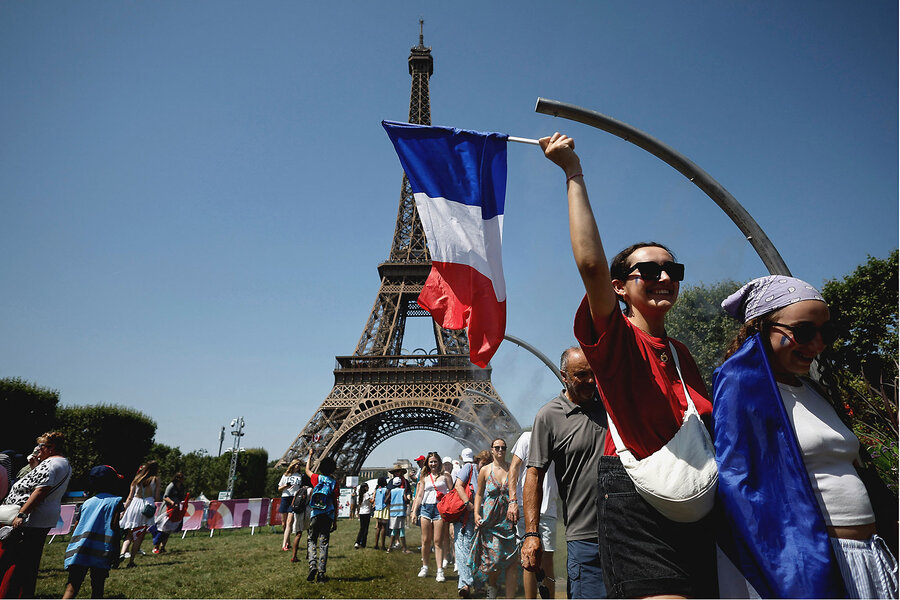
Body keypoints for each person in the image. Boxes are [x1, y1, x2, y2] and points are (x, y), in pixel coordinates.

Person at [537, 132, 717, 598]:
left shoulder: (681, 353)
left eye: (673, 271)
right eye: (649, 271)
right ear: (620, 287)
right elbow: (591, 266)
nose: (664, 277)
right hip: (635, 497)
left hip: (695, 497)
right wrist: (573, 172)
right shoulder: (616, 338)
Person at [714, 276, 899, 599]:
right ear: (761, 328)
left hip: (871, 554)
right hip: (819, 563)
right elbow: (742, 483)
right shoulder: (743, 388)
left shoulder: (814, 391)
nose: (818, 344)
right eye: (803, 332)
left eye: (827, 332)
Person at [521, 347, 608, 600]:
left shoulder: (611, 406)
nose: (590, 380)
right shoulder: (548, 416)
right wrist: (531, 534)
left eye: (593, 373)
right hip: (585, 538)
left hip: (625, 533)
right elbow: (534, 475)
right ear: (564, 376)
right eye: (581, 375)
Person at [0, 431, 72, 598]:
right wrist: (35, 466)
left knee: (15, 562)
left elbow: (40, 491)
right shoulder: (60, 463)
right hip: (39, 518)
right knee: (26, 562)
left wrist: (22, 514)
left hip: (30, 520)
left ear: (51, 447)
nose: (38, 449)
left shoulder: (52, 463)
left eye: (41, 446)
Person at [62, 465, 125, 599]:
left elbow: (76, 527)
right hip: (101, 550)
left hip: (80, 549)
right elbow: (114, 527)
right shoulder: (116, 501)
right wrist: (116, 552)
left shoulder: (87, 503)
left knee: (72, 587)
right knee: (97, 587)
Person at [508, 431, 558, 599]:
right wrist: (512, 500)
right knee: (528, 560)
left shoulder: (558, 438)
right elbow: (514, 468)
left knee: (547, 560)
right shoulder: (527, 437)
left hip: (548, 507)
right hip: (525, 507)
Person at [470, 438, 518, 599]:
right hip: (491, 520)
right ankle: (492, 586)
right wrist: (476, 513)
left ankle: (509, 596)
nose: (500, 450)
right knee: (494, 559)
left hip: (508, 520)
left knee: (512, 559)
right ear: (491, 450)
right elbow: (478, 494)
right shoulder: (485, 470)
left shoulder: (512, 468)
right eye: (497, 447)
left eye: (503, 447)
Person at [411, 452, 452, 582]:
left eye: (435, 461)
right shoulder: (424, 477)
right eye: (431, 462)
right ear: (427, 464)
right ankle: (425, 566)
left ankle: (440, 570)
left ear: (439, 462)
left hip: (439, 509)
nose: (433, 464)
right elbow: (419, 496)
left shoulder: (445, 476)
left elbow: (452, 493)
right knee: (425, 540)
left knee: (438, 541)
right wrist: (414, 511)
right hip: (426, 509)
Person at [454, 448, 487, 599]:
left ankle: (470, 584)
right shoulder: (469, 468)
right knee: (464, 549)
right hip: (466, 516)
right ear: (477, 461)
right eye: (482, 463)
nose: (484, 466)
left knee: (479, 550)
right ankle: (467, 583)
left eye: (487, 464)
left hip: (482, 516)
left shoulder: (488, 473)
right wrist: (468, 503)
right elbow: (458, 485)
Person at [305, 451, 339, 583]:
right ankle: (321, 573)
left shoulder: (317, 478)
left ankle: (312, 564)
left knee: (312, 540)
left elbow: (307, 470)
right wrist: (335, 521)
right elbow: (335, 503)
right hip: (328, 516)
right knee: (324, 543)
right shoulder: (334, 483)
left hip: (316, 514)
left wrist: (310, 456)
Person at [118, 461, 160, 568]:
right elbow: (157, 497)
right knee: (139, 536)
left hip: (134, 505)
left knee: (129, 534)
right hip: (146, 507)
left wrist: (124, 511)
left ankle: (122, 553)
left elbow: (129, 497)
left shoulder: (137, 479)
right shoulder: (155, 479)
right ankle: (131, 561)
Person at [152, 472, 187, 554]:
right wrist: (172, 502)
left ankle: (163, 547)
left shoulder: (182, 487)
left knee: (168, 530)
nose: (183, 479)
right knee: (162, 529)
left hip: (175, 509)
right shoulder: (171, 486)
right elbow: (165, 496)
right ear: (177, 478)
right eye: (181, 477)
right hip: (167, 509)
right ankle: (156, 546)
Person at [277, 459, 303, 551]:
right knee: (284, 523)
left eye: (299, 464)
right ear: (293, 465)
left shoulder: (300, 476)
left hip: (294, 499)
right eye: (297, 464)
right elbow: (279, 488)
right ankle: (288, 542)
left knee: (289, 522)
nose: (298, 465)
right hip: (285, 498)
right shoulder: (285, 475)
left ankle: (284, 545)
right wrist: (286, 486)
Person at [386, 466, 412, 554]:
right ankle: (403, 547)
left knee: (394, 528)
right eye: (395, 472)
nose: (397, 473)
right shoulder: (399, 487)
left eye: (398, 471)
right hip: (400, 510)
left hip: (394, 510)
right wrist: (407, 499)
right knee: (401, 529)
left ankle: (390, 547)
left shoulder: (405, 482)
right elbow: (406, 497)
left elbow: (387, 496)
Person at [290, 474, 313, 563]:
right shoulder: (311, 490)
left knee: (298, 534)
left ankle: (294, 556)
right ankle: (309, 554)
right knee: (310, 534)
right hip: (307, 512)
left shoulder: (298, 490)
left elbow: (292, 503)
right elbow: (312, 502)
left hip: (298, 513)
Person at [372, 477, 390, 551]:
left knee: (378, 527)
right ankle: (382, 545)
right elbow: (387, 500)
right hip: (384, 508)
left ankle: (376, 544)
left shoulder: (377, 490)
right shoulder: (386, 490)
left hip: (377, 509)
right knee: (383, 527)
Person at [354, 482, 372, 549]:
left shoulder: (360, 495)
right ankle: (362, 543)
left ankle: (358, 542)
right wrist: (374, 496)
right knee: (365, 529)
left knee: (362, 528)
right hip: (366, 512)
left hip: (361, 513)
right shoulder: (366, 494)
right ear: (365, 488)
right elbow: (371, 501)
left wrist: (358, 513)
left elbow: (359, 505)